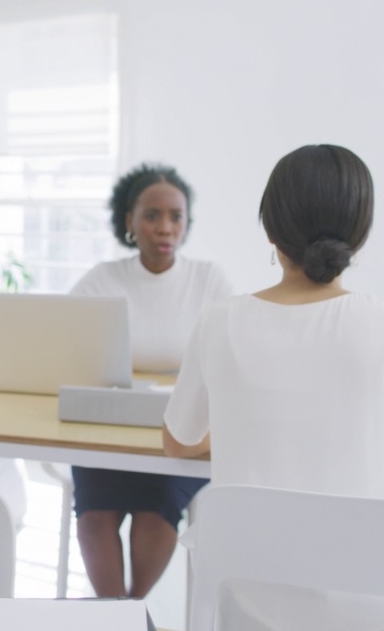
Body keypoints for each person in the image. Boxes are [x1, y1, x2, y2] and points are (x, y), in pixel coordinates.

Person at [162, 146, 384, 631]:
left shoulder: (219, 323)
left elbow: (179, 442)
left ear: (270, 231)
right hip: (383, 612)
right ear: (359, 233)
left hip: (251, 610)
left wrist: (249, 418)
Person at [68, 163, 233, 599]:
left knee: (154, 510)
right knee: (94, 514)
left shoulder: (208, 279)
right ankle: (117, 615)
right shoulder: (103, 278)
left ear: (186, 223)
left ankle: (131, 608)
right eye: (152, 215)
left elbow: (229, 361)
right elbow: (64, 346)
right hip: (110, 425)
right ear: (129, 221)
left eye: (176, 216)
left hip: (181, 430)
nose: (165, 227)